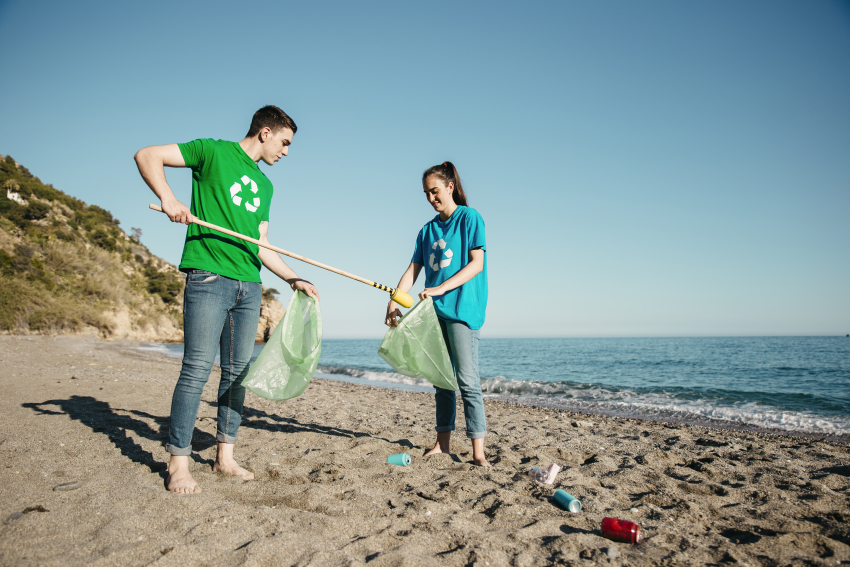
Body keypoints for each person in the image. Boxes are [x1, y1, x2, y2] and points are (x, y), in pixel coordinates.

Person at [134, 105, 319, 494]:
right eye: (285, 143)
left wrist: (293, 278)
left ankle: (225, 457)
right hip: (208, 275)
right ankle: (178, 463)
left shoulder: (266, 185)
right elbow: (147, 155)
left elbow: (261, 244)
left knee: (237, 374)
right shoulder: (212, 151)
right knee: (197, 368)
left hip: (248, 286)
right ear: (265, 132)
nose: (286, 152)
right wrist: (169, 198)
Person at [384, 161, 489, 466]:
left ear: (450, 187)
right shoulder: (426, 230)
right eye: (426, 193)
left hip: (462, 310)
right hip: (434, 314)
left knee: (467, 381)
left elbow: (476, 264)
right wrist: (394, 301)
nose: (431, 198)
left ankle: (477, 453)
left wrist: (441, 288)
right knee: (442, 381)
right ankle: (442, 444)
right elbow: (413, 270)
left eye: (435, 191)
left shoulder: (470, 218)